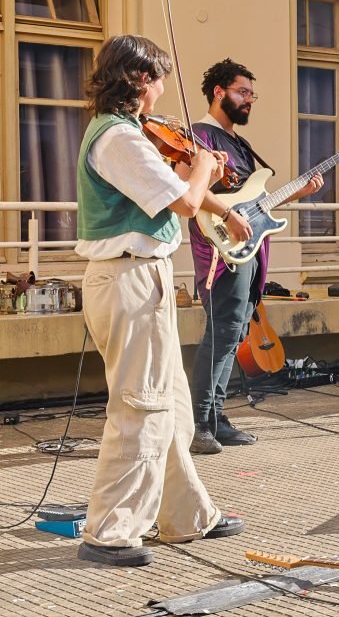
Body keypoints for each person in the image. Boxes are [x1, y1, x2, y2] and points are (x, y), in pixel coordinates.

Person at [74, 35, 250, 566]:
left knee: (169, 405)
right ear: (140, 81)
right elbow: (182, 198)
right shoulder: (119, 139)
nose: (164, 89)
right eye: (159, 78)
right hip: (129, 281)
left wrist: (225, 207)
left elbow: (176, 187)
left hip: (140, 279)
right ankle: (108, 532)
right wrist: (204, 168)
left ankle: (186, 517)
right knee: (139, 408)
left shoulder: (126, 134)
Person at [188, 59, 324, 454]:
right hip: (221, 249)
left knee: (234, 334)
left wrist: (297, 193)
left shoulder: (238, 143)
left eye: (252, 94)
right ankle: (199, 423)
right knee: (222, 334)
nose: (249, 100)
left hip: (249, 248)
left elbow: (253, 201)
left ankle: (215, 416)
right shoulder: (200, 136)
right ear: (219, 91)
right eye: (242, 92)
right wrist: (228, 215)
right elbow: (189, 188)